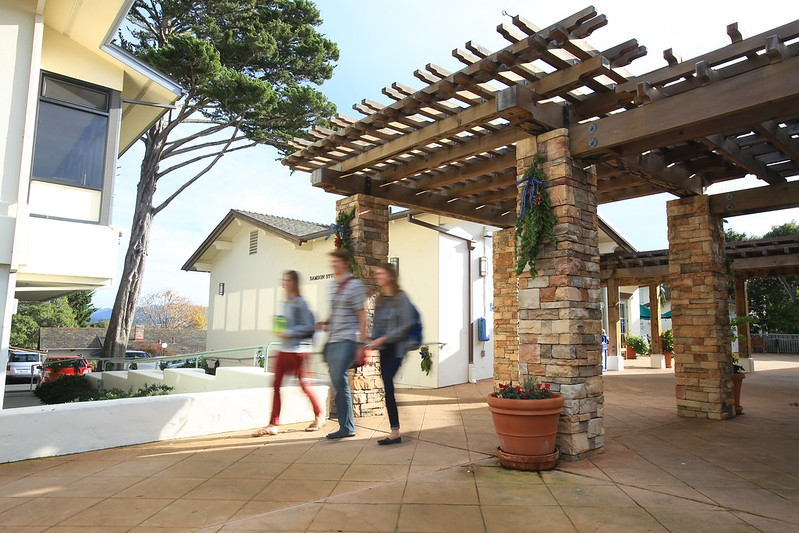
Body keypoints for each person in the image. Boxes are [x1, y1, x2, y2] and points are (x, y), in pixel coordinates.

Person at [253, 270, 324, 437]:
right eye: (283, 279)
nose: (284, 283)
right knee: (276, 384)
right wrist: (280, 325)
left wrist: (289, 332)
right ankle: (273, 424)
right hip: (284, 350)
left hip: (299, 352)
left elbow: (308, 327)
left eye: (287, 280)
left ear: (294, 282)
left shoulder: (300, 302)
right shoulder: (286, 303)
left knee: (304, 385)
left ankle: (319, 415)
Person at [320, 249, 366, 439]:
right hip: (333, 340)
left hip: (348, 339)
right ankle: (346, 426)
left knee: (339, 378)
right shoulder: (332, 286)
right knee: (338, 381)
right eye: (332, 262)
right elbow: (335, 311)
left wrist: (361, 345)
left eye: (337, 261)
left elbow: (362, 316)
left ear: (345, 263)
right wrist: (326, 322)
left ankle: (347, 427)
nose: (334, 265)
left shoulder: (355, 285)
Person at [367, 263, 414, 445]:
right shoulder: (379, 300)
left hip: (397, 349)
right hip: (384, 349)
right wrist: (371, 339)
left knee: (387, 382)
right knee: (388, 387)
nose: (377, 276)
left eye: (381, 273)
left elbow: (406, 325)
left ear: (390, 276)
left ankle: (395, 431)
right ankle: (395, 431)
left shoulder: (401, 298)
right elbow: (377, 326)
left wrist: (384, 338)